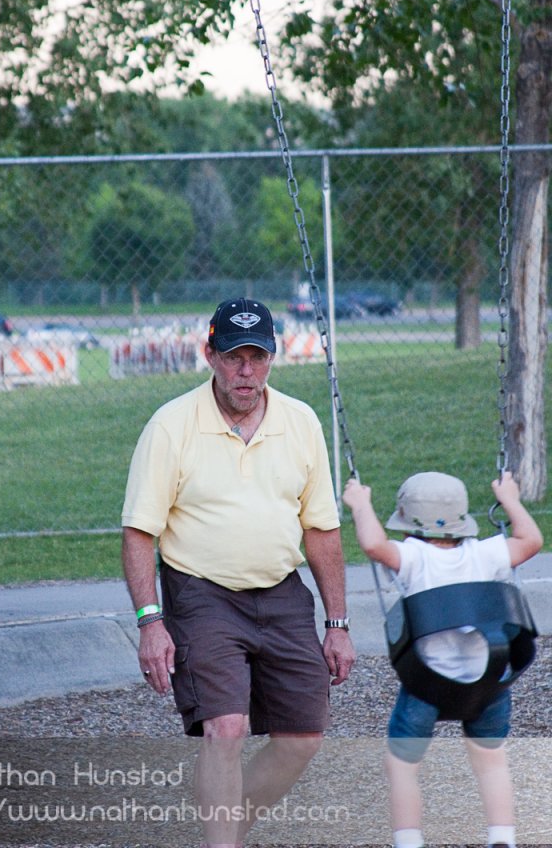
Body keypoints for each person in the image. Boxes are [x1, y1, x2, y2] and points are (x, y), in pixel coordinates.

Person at [122, 297, 356, 848]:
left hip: (281, 591)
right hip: (202, 595)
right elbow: (139, 533)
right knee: (224, 731)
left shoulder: (300, 422)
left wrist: (338, 623)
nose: (245, 370)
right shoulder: (171, 426)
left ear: (273, 358)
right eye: (233, 357)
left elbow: (321, 530)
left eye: (257, 356)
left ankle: (221, 829)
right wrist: (149, 620)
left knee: (302, 737)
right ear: (210, 355)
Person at [342, 469, 543, 848]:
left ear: (407, 522)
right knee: (491, 758)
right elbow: (531, 540)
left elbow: (371, 544)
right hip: (489, 683)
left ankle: (409, 840)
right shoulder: (486, 553)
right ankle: (502, 837)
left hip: (427, 684)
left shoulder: (412, 558)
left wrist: (360, 504)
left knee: (402, 764)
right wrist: (510, 498)